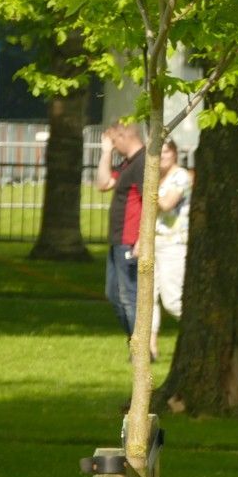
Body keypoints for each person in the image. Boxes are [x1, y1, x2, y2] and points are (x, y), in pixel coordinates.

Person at [143, 140, 192, 361]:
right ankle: (150, 349)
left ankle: (197, 331)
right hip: (153, 242)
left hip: (174, 244)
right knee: (148, 296)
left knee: (172, 299)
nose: (162, 156)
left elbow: (167, 204)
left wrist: (148, 189)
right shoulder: (154, 178)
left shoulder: (180, 176)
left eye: (166, 151)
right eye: (157, 152)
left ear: (174, 153)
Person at [95, 122, 145, 338]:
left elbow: (148, 202)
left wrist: (142, 240)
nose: (113, 146)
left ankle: (140, 347)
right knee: (113, 295)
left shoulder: (143, 162)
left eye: (114, 142)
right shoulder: (127, 164)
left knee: (128, 296)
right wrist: (106, 153)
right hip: (117, 239)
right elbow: (103, 183)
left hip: (130, 239)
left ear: (125, 136)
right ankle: (134, 343)